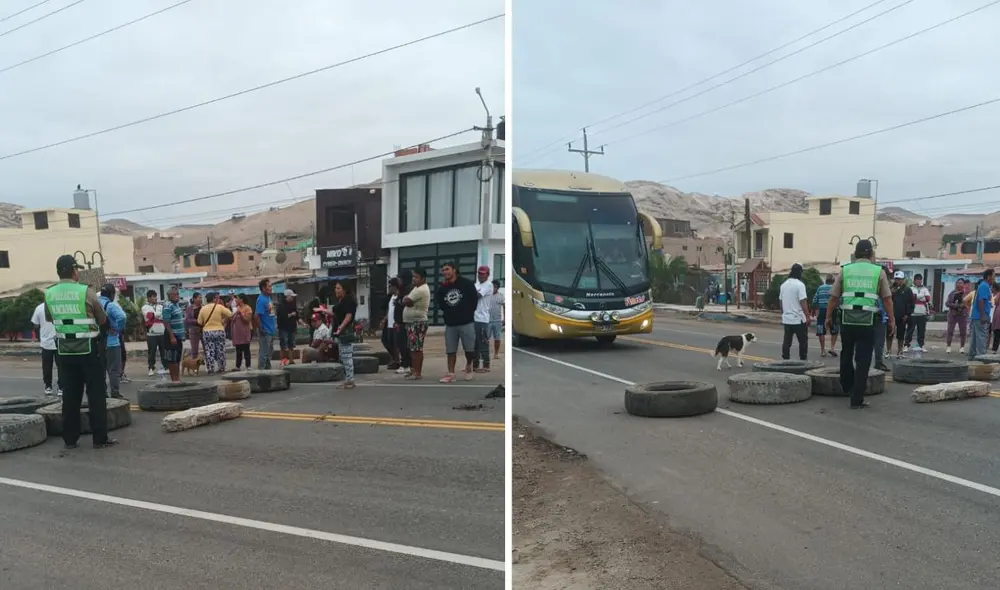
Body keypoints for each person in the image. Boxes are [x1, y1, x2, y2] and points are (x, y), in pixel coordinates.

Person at [44, 254, 116, 449]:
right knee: (96, 395)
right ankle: (99, 439)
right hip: (88, 351)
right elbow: (102, 319)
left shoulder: (49, 294)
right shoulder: (86, 292)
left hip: (65, 352)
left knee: (70, 396)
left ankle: (70, 439)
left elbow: (50, 318)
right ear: (75, 271)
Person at [825, 240, 894, 410]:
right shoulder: (879, 271)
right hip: (867, 321)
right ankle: (856, 399)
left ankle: (847, 386)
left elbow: (833, 297)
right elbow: (887, 299)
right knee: (863, 360)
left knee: (846, 353)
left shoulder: (845, 270)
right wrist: (892, 320)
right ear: (871, 255)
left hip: (847, 320)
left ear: (855, 254)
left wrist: (827, 317)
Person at [435, 262, 479, 382]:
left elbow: (474, 300)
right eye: (443, 270)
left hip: (466, 322)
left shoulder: (466, 284)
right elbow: (440, 302)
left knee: (469, 349)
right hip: (450, 324)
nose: (445, 272)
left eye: (447, 269)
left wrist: (467, 312)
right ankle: (451, 373)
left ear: (454, 270)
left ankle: (469, 366)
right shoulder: (443, 288)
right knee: (450, 350)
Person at [98, 285, 127, 399]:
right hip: (112, 342)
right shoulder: (110, 306)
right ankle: (115, 393)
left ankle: (103, 393)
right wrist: (117, 328)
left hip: (99, 342)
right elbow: (122, 317)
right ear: (111, 294)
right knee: (113, 370)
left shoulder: (95, 304)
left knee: (101, 370)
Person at [402, 267, 431, 380]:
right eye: (413, 276)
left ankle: (417, 372)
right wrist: (406, 300)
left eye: (416, 277)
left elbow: (407, 301)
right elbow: (406, 300)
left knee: (416, 349)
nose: (413, 279)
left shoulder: (421, 289)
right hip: (411, 322)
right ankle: (414, 370)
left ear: (423, 278)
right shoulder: (416, 288)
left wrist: (406, 300)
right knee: (413, 348)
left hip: (417, 322)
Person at [779, 264, 810, 361]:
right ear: (800, 273)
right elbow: (803, 301)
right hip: (798, 319)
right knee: (803, 341)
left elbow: (780, 301)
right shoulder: (800, 285)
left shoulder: (783, 285)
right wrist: (808, 316)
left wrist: (783, 312)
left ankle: (785, 359)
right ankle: (803, 360)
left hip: (787, 319)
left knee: (787, 341)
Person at [31, 300, 62, 396]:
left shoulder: (39, 308)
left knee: (47, 366)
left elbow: (35, 324)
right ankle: (61, 387)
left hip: (46, 342)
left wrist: (39, 334)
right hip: (60, 341)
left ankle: (48, 386)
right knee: (62, 366)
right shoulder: (60, 307)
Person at [198, 292, 233, 374]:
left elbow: (199, 322)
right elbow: (230, 314)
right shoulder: (220, 307)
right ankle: (221, 367)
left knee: (209, 350)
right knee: (220, 350)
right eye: (216, 298)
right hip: (219, 330)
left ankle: (210, 368)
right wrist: (223, 321)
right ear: (214, 299)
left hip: (207, 332)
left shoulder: (203, 309)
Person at [331, 281, 358, 389]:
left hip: (345, 331)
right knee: (344, 356)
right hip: (341, 331)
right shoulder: (342, 301)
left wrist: (340, 328)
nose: (336, 290)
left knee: (347, 357)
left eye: (338, 288)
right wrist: (322, 310)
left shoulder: (348, 300)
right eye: (335, 288)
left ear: (344, 289)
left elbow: (348, 316)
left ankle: (350, 380)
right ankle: (348, 379)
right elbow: (335, 313)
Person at [161, 287, 186, 382]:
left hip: (178, 336)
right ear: (170, 295)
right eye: (175, 294)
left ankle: (177, 379)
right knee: (172, 359)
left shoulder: (177, 305)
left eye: (178, 294)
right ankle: (174, 380)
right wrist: (171, 336)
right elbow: (166, 322)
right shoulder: (168, 306)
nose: (177, 296)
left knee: (177, 358)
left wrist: (182, 335)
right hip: (171, 336)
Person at [969, 268, 995, 360]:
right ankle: (982, 359)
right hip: (981, 317)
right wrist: (983, 315)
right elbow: (981, 301)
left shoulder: (983, 286)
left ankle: (972, 357)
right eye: (993, 276)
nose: (994, 279)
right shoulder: (984, 286)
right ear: (988, 277)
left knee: (975, 339)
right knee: (981, 339)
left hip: (977, 316)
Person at [472, 265, 493, 373]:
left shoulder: (488, 285)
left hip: (482, 318)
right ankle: (475, 365)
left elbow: (477, 296)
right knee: (475, 343)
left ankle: (486, 364)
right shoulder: (477, 284)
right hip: (474, 317)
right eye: (479, 273)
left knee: (483, 342)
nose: (480, 275)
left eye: (483, 273)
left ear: (487, 275)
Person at [888, 271, 914, 359]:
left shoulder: (907, 290)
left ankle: (900, 351)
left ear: (903, 280)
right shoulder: (891, 289)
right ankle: (888, 351)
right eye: (896, 279)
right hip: (891, 315)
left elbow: (911, 303)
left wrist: (907, 314)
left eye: (899, 279)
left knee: (901, 334)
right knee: (889, 334)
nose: (897, 281)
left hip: (902, 316)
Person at [812, 274, 839, 358]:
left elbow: (815, 300)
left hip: (822, 310)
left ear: (826, 280)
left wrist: (814, 310)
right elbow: (839, 299)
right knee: (834, 329)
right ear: (833, 281)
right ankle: (832, 348)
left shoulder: (820, 288)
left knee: (821, 329)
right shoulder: (835, 288)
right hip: (833, 310)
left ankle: (822, 350)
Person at [904, 273, 931, 353]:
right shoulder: (910, 288)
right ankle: (906, 345)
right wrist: (921, 297)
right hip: (912, 313)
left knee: (921, 331)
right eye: (917, 279)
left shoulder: (925, 289)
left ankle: (921, 345)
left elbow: (928, 298)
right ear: (914, 280)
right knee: (910, 330)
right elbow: (910, 297)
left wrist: (917, 297)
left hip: (922, 313)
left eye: (920, 279)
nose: (919, 281)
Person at [142, 289, 166, 376]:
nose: (155, 298)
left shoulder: (160, 306)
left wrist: (155, 315)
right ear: (148, 298)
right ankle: (151, 368)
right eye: (152, 297)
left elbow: (163, 316)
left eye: (155, 296)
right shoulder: (145, 307)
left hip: (162, 332)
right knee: (152, 352)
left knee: (163, 351)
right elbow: (148, 316)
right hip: (151, 334)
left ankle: (165, 367)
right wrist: (157, 315)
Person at [255, 279, 277, 369]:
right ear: (263, 288)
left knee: (269, 354)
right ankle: (261, 374)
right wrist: (261, 328)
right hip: (265, 331)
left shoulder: (268, 298)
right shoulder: (261, 299)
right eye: (269, 286)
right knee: (263, 354)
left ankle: (268, 372)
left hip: (271, 330)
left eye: (271, 286)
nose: (271, 288)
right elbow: (256, 316)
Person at [945, 278, 969, 354]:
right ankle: (948, 346)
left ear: (963, 284)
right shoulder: (952, 293)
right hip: (953, 314)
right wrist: (954, 305)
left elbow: (969, 303)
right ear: (956, 284)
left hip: (962, 315)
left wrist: (963, 305)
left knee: (963, 332)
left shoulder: (966, 294)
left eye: (961, 283)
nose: (959, 284)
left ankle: (962, 347)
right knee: (950, 331)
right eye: (958, 283)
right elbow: (947, 303)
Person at [231, 294, 254, 370]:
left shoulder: (248, 308)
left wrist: (240, 313)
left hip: (245, 332)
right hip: (237, 333)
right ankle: (238, 366)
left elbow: (247, 320)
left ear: (242, 300)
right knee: (238, 350)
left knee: (246, 349)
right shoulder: (236, 308)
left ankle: (248, 366)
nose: (236, 300)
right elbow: (232, 319)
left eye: (237, 299)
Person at [381, 279, 400, 369]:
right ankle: (394, 358)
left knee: (395, 344)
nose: (389, 288)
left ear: (395, 287)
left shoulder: (399, 297)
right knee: (386, 341)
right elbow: (389, 310)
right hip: (389, 323)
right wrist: (384, 320)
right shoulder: (391, 297)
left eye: (390, 286)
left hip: (395, 324)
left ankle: (397, 360)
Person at [277, 289, 298, 366]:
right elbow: (282, 317)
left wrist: (301, 322)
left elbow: (297, 315)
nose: (293, 298)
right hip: (283, 328)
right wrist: (291, 315)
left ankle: (291, 360)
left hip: (291, 328)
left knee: (291, 345)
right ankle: (282, 361)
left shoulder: (293, 304)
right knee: (283, 345)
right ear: (287, 296)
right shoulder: (281, 305)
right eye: (291, 297)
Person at [185, 292, 203, 360]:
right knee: (194, 349)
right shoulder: (189, 308)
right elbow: (187, 320)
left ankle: (208, 365)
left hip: (203, 329)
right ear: (194, 299)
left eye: (201, 298)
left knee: (206, 347)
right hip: (193, 329)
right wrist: (197, 321)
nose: (200, 299)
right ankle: (194, 364)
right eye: (199, 298)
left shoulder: (203, 307)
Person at [489, 279, 504, 360]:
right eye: (492, 287)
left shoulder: (501, 296)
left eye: (495, 287)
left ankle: (496, 354)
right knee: (485, 338)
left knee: (497, 338)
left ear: (497, 288)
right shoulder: (487, 295)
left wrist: (504, 318)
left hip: (497, 320)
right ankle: (484, 353)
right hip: (487, 320)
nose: (493, 288)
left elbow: (504, 307)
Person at [991, 282, 1000, 352]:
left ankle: (994, 349)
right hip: (997, 312)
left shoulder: (998, 294)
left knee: (997, 332)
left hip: (998, 313)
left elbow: (996, 302)